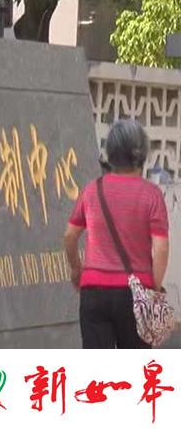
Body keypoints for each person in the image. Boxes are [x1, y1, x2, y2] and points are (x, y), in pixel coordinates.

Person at [63, 120, 169, 349]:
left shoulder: (92, 190)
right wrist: (154, 288)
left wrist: (76, 269)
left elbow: (70, 236)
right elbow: (160, 248)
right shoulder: (151, 195)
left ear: (110, 153)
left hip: (93, 292)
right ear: (141, 154)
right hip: (135, 293)